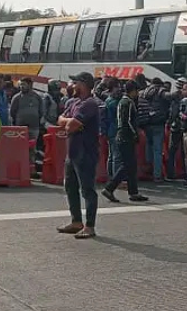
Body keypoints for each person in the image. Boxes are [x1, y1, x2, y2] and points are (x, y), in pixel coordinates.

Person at [56, 72, 100, 239]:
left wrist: (70, 123)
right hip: (72, 152)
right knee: (70, 187)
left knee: (87, 190)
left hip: (85, 153)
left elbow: (71, 125)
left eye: (75, 83)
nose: (72, 86)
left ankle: (90, 226)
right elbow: (60, 121)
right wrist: (69, 123)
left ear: (83, 84)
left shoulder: (90, 104)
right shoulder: (74, 102)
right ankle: (76, 221)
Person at [101, 80, 149, 202]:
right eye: (137, 91)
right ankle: (109, 188)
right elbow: (126, 121)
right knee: (127, 165)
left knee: (131, 166)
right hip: (125, 137)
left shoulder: (123, 101)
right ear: (133, 91)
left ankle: (133, 192)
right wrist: (135, 134)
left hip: (122, 136)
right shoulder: (127, 102)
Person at [141, 77, 172, 182]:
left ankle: (148, 170)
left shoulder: (144, 92)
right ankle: (157, 175)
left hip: (146, 123)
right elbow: (170, 98)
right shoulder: (161, 91)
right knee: (158, 150)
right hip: (158, 123)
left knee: (148, 147)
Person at [10, 77, 44, 165]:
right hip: (20, 129)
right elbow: (12, 112)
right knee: (20, 148)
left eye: (24, 84)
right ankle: (20, 167)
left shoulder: (37, 97)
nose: (22, 87)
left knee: (32, 149)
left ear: (30, 85)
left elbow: (41, 111)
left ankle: (31, 168)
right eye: (20, 84)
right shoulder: (16, 97)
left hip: (34, 127)